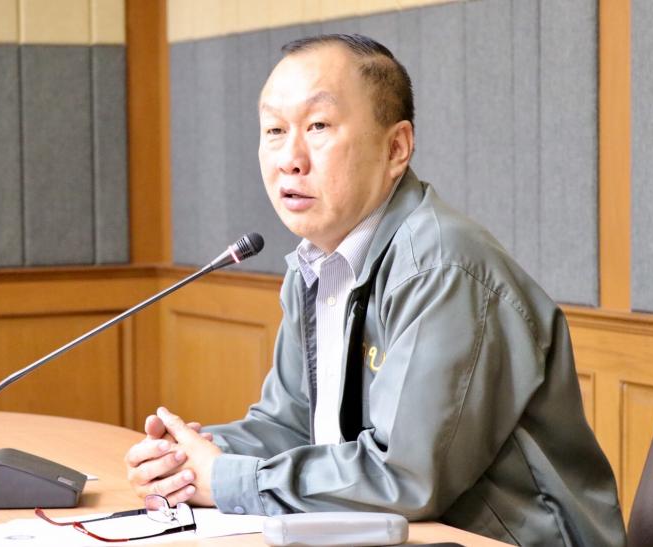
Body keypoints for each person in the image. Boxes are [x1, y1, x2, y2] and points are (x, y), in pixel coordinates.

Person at [125, 34, 626, 546]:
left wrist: (228, 479)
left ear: (396, 148)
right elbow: (290, 426)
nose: (290, 158)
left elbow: (404, 478)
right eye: (274, 130)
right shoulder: (315, 265)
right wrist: (189, 458)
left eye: (318, 126)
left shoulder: (440, 269)